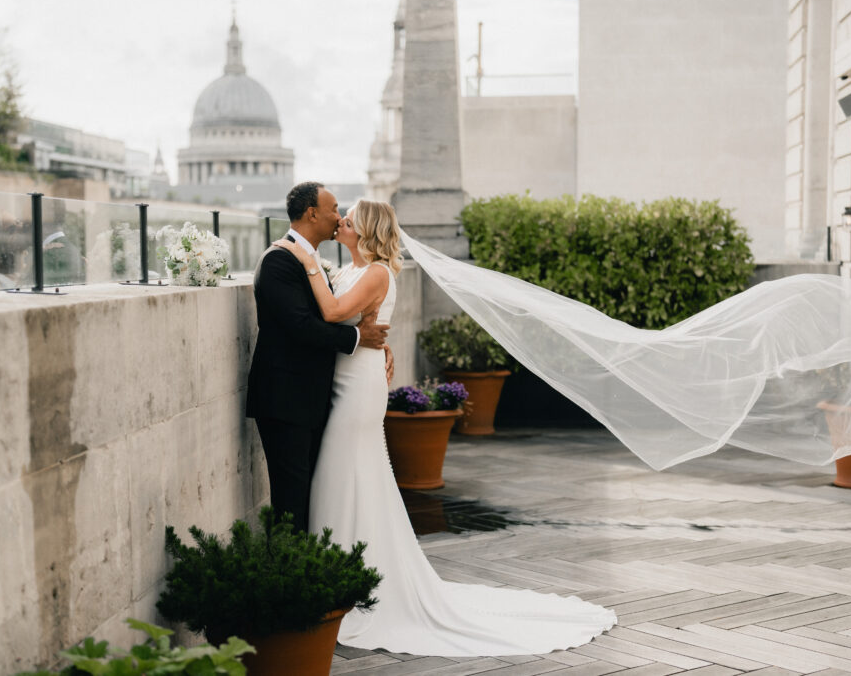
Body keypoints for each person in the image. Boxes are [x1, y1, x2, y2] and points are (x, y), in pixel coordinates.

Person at [273, 200, 616, 656]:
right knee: (347, 474)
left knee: (349, 469)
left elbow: (334, 314)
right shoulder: (347, 271)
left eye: (351, 219)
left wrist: (305, 261)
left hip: (358, 389)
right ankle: (345, 572)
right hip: (346, 379)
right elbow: (336, 316)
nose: (342, 221)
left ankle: (354, 583)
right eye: (342, 215)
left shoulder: (375, 272)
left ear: (368, 230)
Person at [245, 182, 391, 533]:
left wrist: (375, 339)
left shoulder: (314, 263)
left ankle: (310, 575)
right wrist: (359, 337)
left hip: (312, 397)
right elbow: (301, 326)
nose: (338, 217)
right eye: (334, 209)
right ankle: (290, 580)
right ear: (312, 213)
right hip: (285, 400)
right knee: (291, 500)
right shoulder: (279, 259)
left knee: (311, 496)